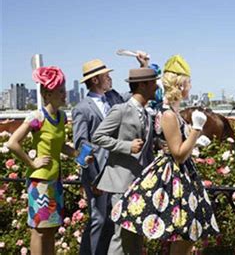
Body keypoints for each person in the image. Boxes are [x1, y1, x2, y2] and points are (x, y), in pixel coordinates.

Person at [110, 55, 219, 254]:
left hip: (182, 174)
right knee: (185, 234)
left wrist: (194, 140)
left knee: (188, 235)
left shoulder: (173, 112)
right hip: (175, 176)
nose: (191, 86)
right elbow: (178, 154)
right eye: (188, 82)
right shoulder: (169, 114)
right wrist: (196, 130)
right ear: (180, 84)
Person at [7, 66, 92, 255]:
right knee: (39, 230)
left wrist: (79, 155)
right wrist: (32, 163)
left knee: (51, 228)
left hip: (55, 179)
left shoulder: (61, 117)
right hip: (40, 182)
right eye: (60, 91)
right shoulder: (37, 117)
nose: (65, 95)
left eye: (64, 90)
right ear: (47, 93)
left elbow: (60, 146)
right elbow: (12, 143)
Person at [92, 65, 158, 254]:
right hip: (121, 184)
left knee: (135, 236)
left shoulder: (147, 113)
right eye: (153, 83)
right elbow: (98, 137)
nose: (156, 87)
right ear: (144, 85)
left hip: (140, 184)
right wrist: (126, 146)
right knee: (121, 236)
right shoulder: (120, 110)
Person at [73, 58, 123, 255]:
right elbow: (81, 145)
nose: (110, 78)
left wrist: (144, 67)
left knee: (112, 218)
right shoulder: (82, 108)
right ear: (95, 80)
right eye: (106, 75)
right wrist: (93, 177)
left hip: (116, 171)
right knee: (98, 218)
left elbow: (135, 96)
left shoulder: (114, 98)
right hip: (98, 173)